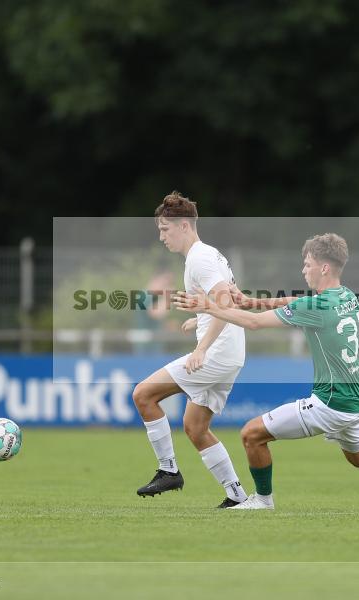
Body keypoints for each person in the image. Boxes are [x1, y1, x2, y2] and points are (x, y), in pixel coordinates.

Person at [173, 233, 359, 511]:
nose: (303, 269)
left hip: (329, 403)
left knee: (251, 434)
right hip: (355, 403)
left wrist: (208, 307)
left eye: (308, 264)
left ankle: (263, 500)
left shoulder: (314, 306)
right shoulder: (347, 296)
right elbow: (298, 301)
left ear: (324, 268)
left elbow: (254, 324)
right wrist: (252, 301)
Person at [132, 191, 249, 508]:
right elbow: (229, 300)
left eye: (164, 229)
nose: (161, 237)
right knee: (196, 428)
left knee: (143, 395)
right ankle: (237, 496)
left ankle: (168, 470)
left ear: (184, 225)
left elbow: (225, 303)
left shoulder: (200, 259)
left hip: (217, 353)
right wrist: (200, 319)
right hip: (231, 353)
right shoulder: (210, 255)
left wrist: (201, 348)